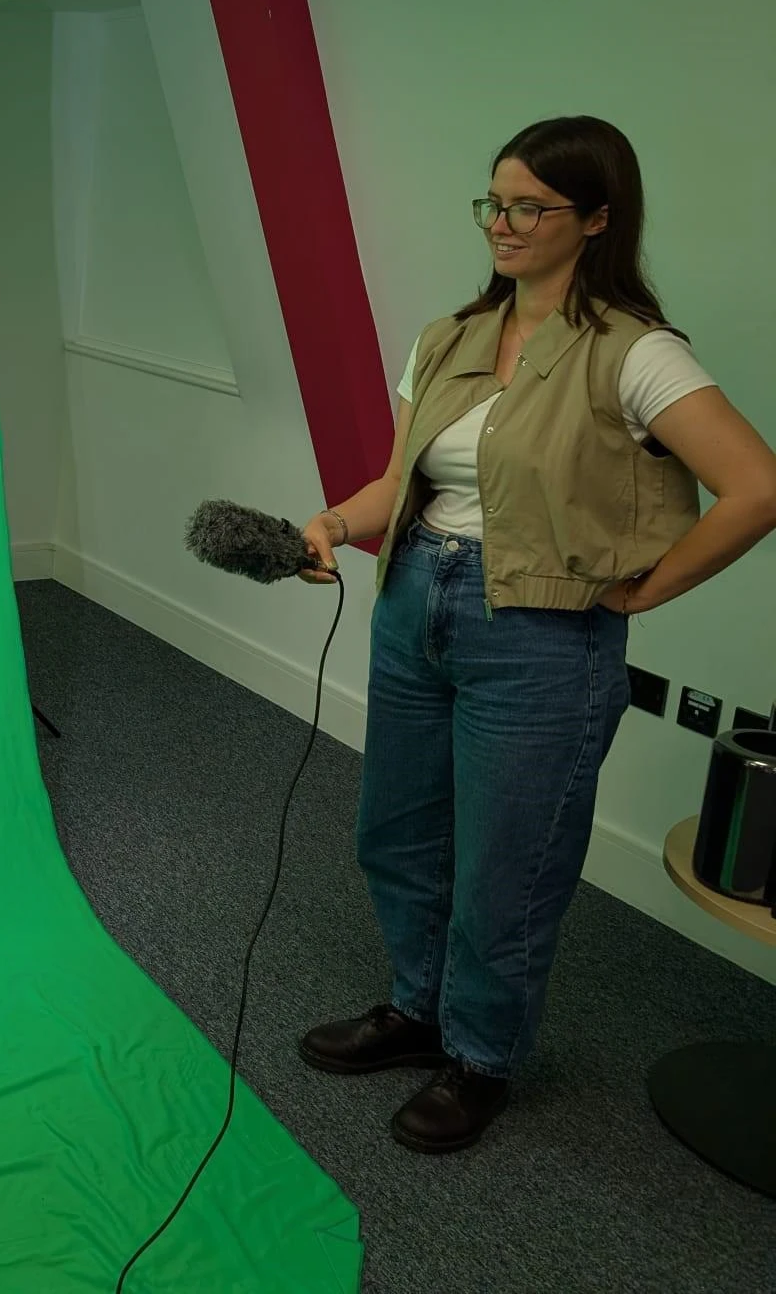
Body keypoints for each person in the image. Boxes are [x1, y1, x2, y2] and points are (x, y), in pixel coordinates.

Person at [295, 116, 776, 1152]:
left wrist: (642, 595)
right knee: (397, 831)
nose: (502, 225)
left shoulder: (635, 355)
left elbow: (756, 487)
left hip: (542, 640)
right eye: (493, 202)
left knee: (509, 865)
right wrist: (334, 523)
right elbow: (400, 481)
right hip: (415, 602)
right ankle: (416, 1010)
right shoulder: (449, 338)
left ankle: (481, 1057)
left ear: (596, 219)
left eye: (530, 207)